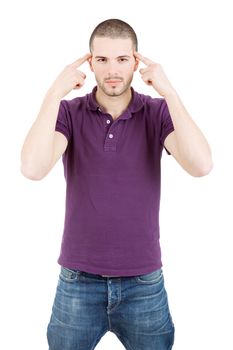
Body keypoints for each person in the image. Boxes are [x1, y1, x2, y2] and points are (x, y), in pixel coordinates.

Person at [20, 18, 213, 350]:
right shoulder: (69, 112)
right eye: (103, 59)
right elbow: (33, 168)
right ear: (90, 61)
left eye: (122, 59)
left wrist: (170, 92)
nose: (112, 69)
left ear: (136, 61)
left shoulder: (157, 112)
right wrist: (53, 93)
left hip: (144, 284)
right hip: (78, 282)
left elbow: (201, 165)